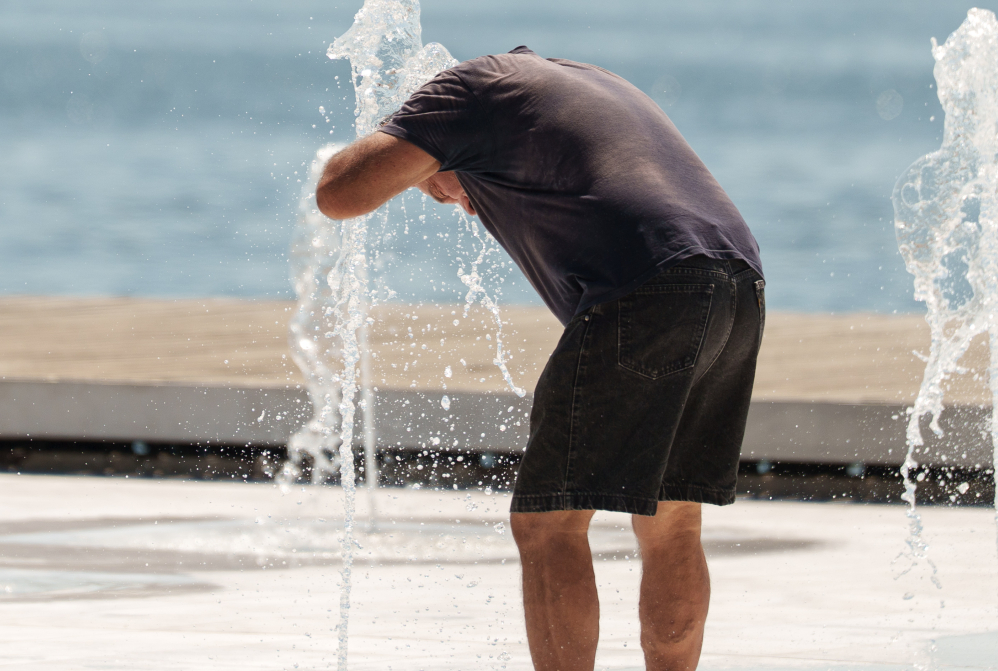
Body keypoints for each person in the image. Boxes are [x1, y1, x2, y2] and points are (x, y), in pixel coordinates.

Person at [317, 45, 765, 671]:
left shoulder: (467, 92)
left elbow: (338, 193)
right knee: (671, 521)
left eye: (439, 190)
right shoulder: (582, 80)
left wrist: (408, 146)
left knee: (549, 521)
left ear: (439, 147)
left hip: (646, 288)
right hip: (736, 283)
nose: (462, 206)